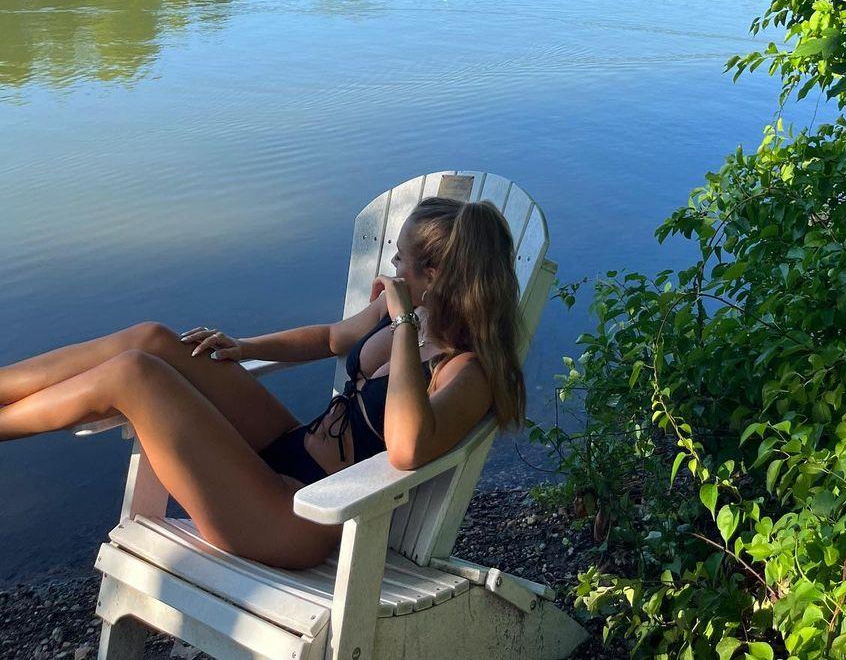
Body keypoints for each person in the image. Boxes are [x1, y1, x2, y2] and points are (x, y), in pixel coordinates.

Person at [0, 197, 525, 570]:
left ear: (432, 275)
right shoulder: (401, 313)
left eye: (401, 261)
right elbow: (327, 340)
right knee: (156, 341)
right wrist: (245, 347)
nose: (391, 267)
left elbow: (408, 448)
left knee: (133, 375)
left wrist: (406, 324)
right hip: (292, 450)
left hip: (297, 517)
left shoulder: (466, 370)